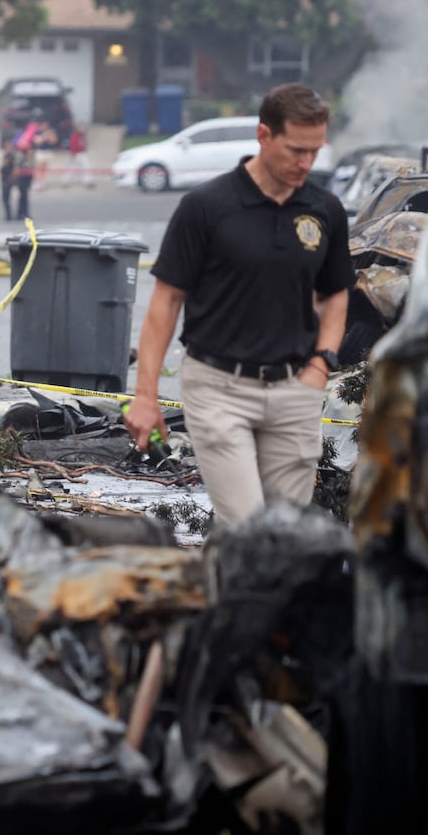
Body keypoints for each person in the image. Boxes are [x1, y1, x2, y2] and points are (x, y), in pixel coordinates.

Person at [125, 83, 351, 526]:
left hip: (295, 389)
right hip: (218, 389)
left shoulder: (325, 209)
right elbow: (166, 302)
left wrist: (321, 365)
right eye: (296, 150)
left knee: (286, 534)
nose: (306, 163)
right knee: (247, 526)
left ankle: (228, 571)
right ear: (264, 135)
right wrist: (145, 397)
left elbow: (335, 294)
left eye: (314, 150)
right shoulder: (205, 207)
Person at [0, 142, 17, 221]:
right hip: (4, 179)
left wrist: (11, 178)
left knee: (6, 197)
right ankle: (8, 214)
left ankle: (9, 215)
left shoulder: (11, 156)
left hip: (8, 179)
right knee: (5, 198)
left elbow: (13, 168)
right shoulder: (6, 156)